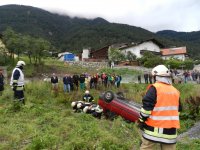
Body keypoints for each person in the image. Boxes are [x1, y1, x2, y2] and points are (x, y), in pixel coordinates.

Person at [138, 65, 182, 150]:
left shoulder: (154, 88)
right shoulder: (175, 91)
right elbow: (178, 111)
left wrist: (141, 120)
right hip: (170, 132)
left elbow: (146, 109)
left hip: (153, 130)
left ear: (156, 77)